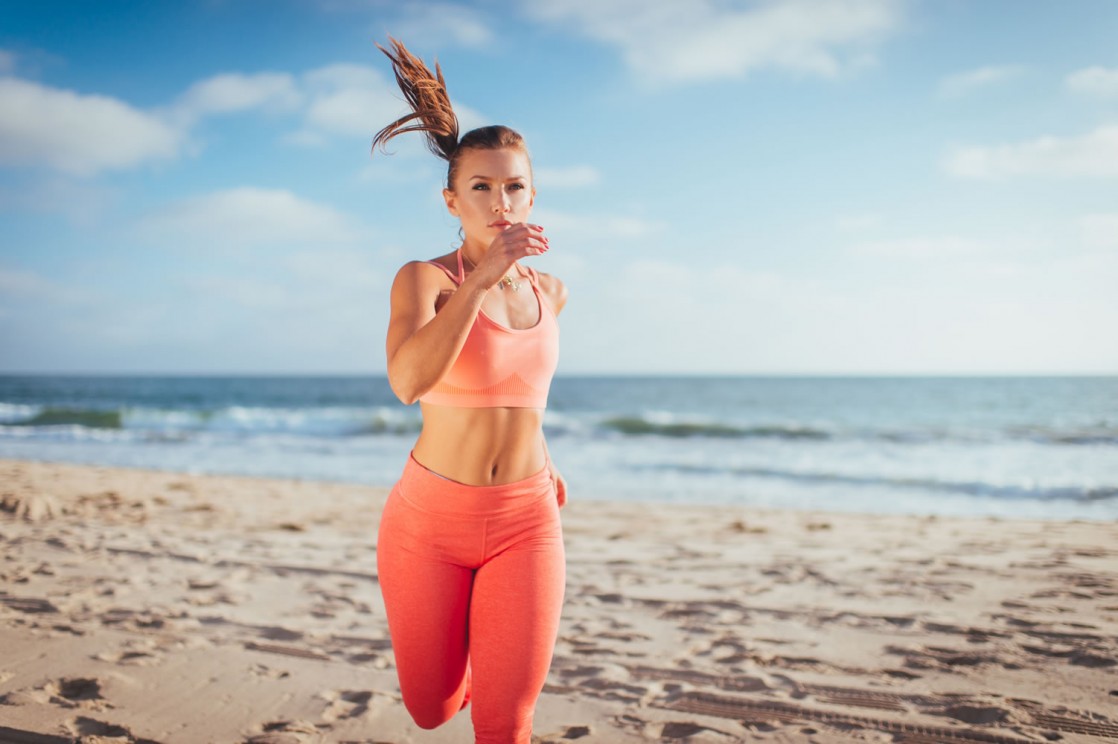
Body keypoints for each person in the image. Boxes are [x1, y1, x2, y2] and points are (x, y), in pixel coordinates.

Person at [371, 38, 568, 744]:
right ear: (452, 199)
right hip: (431, 521)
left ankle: (501, 668)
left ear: (532, 195)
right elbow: (408, 382)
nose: (499, 201)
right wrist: (480, 279)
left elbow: (520, 392)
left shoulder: (552, 292)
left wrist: (544, 461)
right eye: (481, 188)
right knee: (430, 707)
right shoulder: (424, 280)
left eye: (513, 186)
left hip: (527, 517)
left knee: (505, 721)